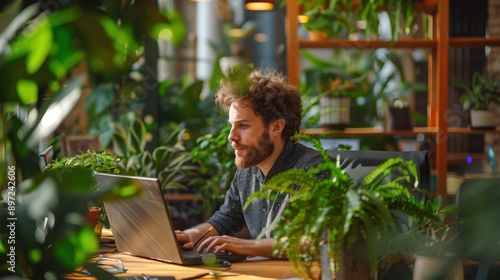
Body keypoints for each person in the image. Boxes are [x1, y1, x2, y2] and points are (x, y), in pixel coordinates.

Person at [175, 68, 323, 258]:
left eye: (243, 126)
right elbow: (224, 220)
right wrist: (189, 236)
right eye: (232, 125)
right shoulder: (248, 170)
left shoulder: (312, 169)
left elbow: (314, 241)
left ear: (276, 127)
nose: (231, 136)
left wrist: (249, 246)